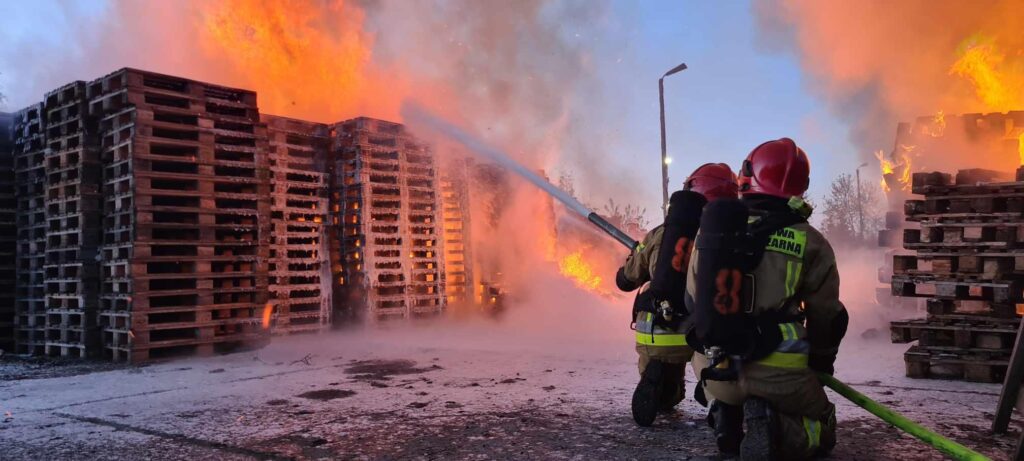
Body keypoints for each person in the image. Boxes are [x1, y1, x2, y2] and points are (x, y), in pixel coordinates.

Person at [686, 138, 848, 459]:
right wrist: (820, 362)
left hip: (715, 369)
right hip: (780, 374)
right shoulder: (810, 241)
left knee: (724, 384)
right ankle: (774, 426)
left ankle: (724, 410)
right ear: (801, 187)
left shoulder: (709, 233)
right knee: (822, 428)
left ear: (747, 174)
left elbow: (692, 299)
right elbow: (827, 316)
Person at [615, 163, 738, 427]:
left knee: (666, 393)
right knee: (721, 368)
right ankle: (716, 393)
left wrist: (637, 259)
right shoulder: (731, 238)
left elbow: (626, 280)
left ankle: (659, 380)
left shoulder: (662, 233)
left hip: (657, 330)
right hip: (704, 335)